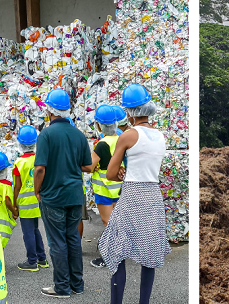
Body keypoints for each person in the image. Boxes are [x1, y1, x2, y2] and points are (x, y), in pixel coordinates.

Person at [98, 84, 170, 304]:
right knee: (149, 254)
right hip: (153, 196)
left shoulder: (128, 136)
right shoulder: (160, 136)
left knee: (116, 249)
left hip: (132, 196)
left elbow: (110, 173)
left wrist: (120, 173)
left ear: (129, 113)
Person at [34, 88, 93, 298]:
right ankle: (77, 284)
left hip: (53, 197)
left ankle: (61, 287)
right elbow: (88, 166)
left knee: (57, 242)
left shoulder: (46, 135)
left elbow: (40, 168)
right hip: (75, 195)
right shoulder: (78, 135)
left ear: (49, 111)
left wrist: (36, 190)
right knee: (73, 239)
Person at [88, 105, 123, 268]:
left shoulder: (102, 144)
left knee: (108, 222)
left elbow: (89, 166)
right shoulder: (120, 140)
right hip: (119, 188)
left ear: (98, 125)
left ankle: (110, 257)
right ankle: (118, 252)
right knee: (116, 222)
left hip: (104, 190)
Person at [13, 125, 49, 271]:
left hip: (25, 204)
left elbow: (17, 186)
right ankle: (42, 259)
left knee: (28, 232)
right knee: (35, 230)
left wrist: (15, 204)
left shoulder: (19, 163)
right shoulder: (40, 158)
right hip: (38, 200)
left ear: (20, 143)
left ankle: (32, 261)